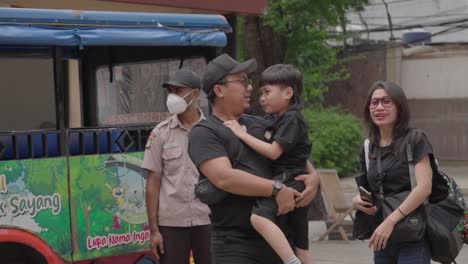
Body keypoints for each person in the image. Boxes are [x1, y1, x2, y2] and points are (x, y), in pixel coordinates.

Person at [188, 53, 320, 264]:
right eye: (242, 81)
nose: (249, 88)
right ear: (219, 90)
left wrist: (313, 178)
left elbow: (294, 154)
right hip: (236, 246)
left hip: (281, 243)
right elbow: (225, 178)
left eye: (248, 81)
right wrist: (276, 188)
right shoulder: (204, 133)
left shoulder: (263, 124)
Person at [223, 64, 313, 264]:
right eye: (261, 92)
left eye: (267, 92)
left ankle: (290, 261)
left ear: (288, 92)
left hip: (289, 180)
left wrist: (241, 134)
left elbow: (273, 152)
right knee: (301, 244)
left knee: (258, 218)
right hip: (294, 181)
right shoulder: (276, 118)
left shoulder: (291, 119)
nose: (261, 98)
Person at [351, 81, 435, 264]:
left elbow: (424, 188)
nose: (379, 107)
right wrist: (357, 201)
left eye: (386, 101)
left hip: (413, 235)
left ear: (400, 106)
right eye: (374, 102)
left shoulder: (415, 139)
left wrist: (390, 221)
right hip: (382, 237)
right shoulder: (368, 147)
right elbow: (370, 190)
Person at [142, 69, 211, 264]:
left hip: (208, 219)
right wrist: (153, 230)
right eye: (170, 91)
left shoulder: (213, 129)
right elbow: (153, 182)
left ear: (196, 94)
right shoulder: (160, 133)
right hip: (171, 223)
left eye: (178, 91)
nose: (172, 97)